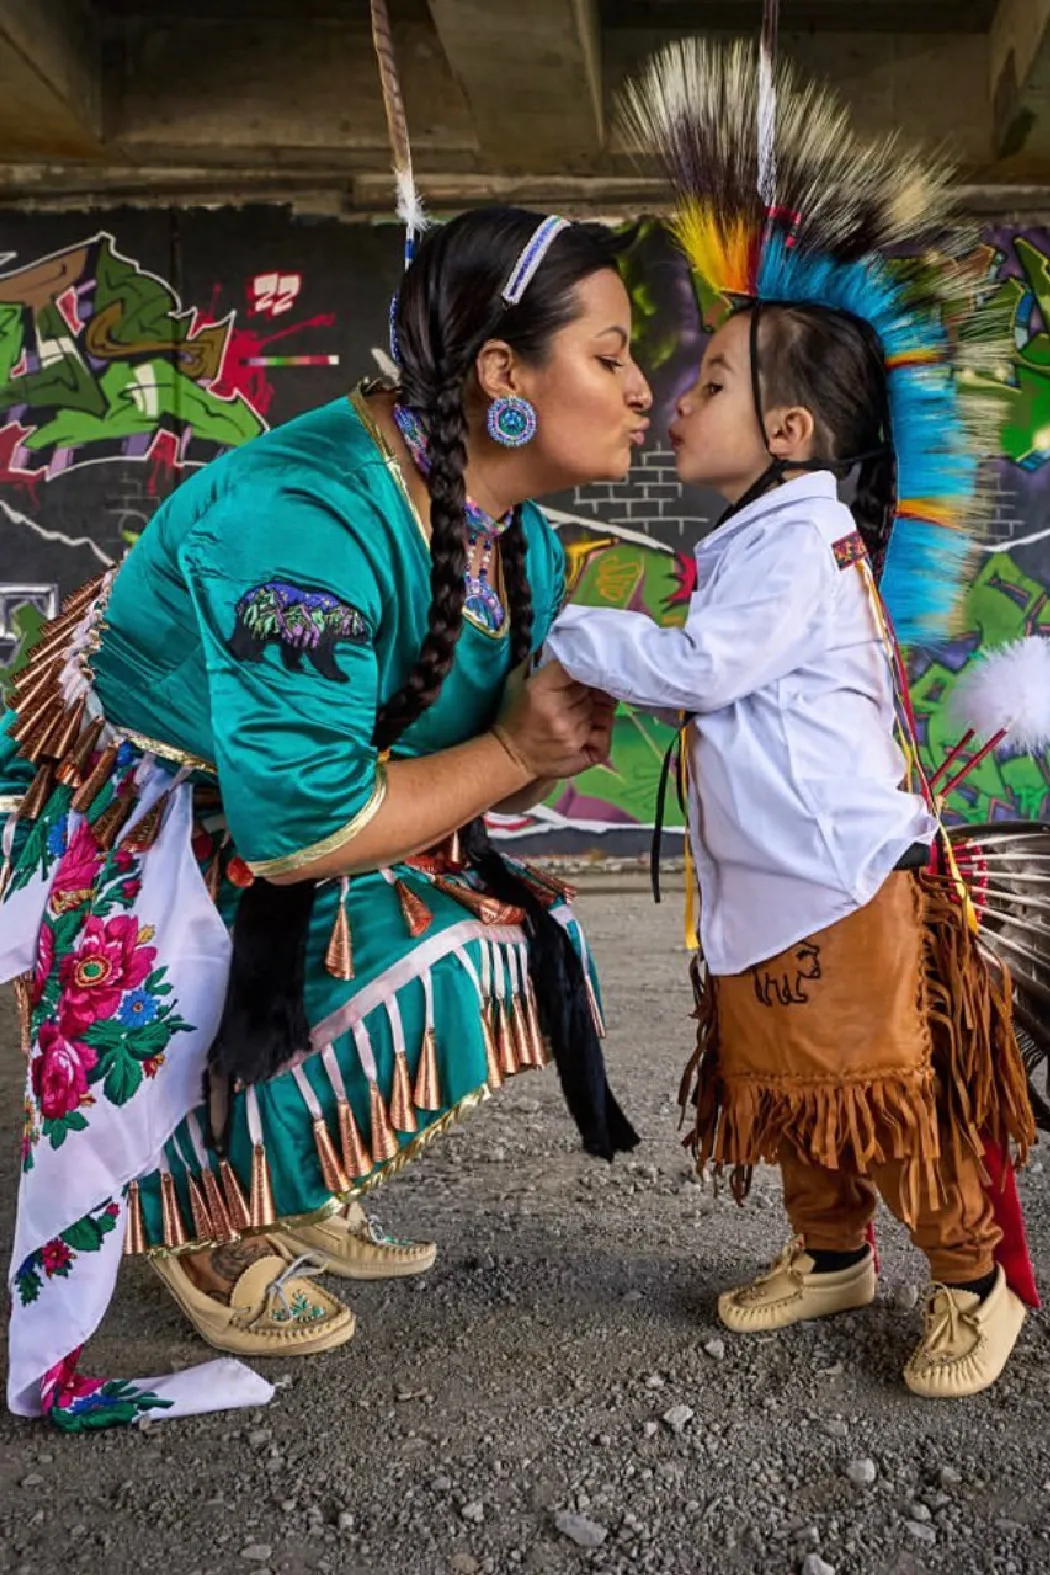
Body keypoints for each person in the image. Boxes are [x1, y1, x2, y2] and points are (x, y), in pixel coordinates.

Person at [0, 204, 651, 1428]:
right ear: (505, 376)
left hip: (269, 795)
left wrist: (535, 751)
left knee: (501, 931)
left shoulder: (522, 546)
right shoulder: (303, 526)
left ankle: (270, 1168)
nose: (640, 389)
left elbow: (455, 790)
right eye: (611, 355)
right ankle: (187, 1208)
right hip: (144, 780)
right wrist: (515, 743)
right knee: (202, 994)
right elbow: (296, 829)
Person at [548, 38, 1035, 1400]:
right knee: (788, 1094)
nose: (676, 397)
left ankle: (971, 1272)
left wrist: (558, 621)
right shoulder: (769, 527)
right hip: (771, 886)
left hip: (833, 882)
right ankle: (827, 1254)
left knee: (875, 1096)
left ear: (791, 431)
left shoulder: (791, 535)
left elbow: (699, 667)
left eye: (706, 381)